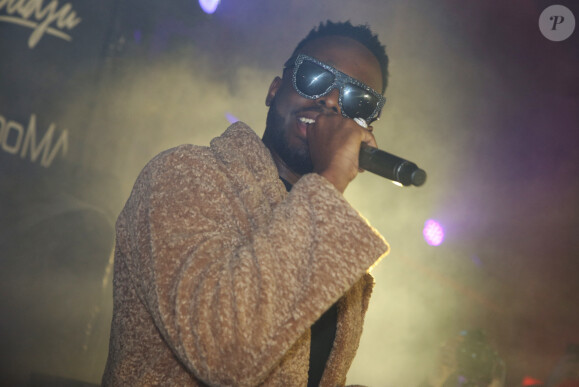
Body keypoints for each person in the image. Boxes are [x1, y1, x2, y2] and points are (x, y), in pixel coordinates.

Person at [102, 20, 390, 386]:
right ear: (274, 90)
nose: (332, 101)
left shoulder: (334, 250)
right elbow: (223, 353)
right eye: (315, 77)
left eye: (358, 100)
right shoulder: (185, 175)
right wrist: (332, 177)